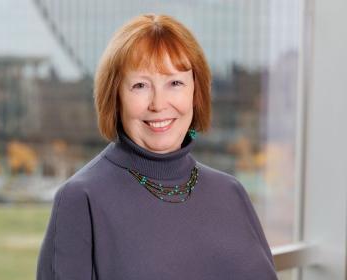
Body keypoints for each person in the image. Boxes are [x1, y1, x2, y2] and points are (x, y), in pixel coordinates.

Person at [36, 13, 278, 280]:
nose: (159, 104)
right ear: (114, 96)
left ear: (195, 92)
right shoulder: (81, 200)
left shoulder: (231, 192)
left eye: (175, 83)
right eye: (140, 85)